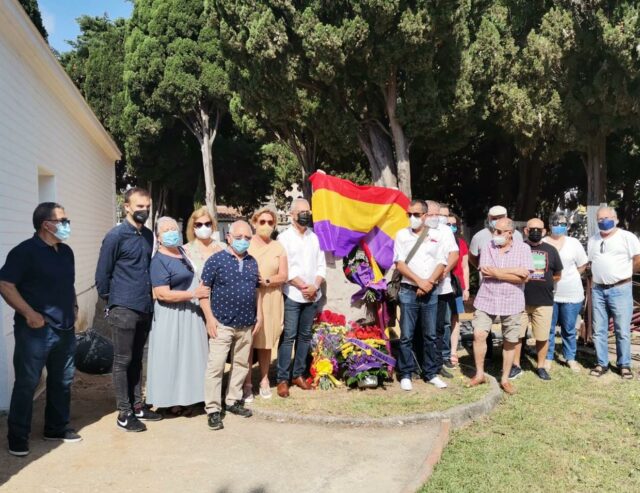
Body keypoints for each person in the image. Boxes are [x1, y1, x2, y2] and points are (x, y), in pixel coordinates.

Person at [0, 203, 81, 456]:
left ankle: (56, 428)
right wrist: (29, 314)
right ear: (47, 224)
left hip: (65, 329)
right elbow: (5, 284)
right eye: (63, 220)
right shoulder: (25, 252)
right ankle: (17, 436)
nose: (67, 224)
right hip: (36, 332)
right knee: (27, 382)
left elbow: (68, 284)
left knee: (62, 380)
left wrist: (75, 307)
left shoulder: (66, 251)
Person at [95, 187, 162, 432]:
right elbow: (102, 275)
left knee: (137, 360)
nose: (143, 210)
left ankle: (137, 406)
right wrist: (111, 302)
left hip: (144, 306)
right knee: (122, 361)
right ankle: (124, 413)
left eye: (147, 206)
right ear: (127, 207)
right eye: (139, 206)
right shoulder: (115, 236)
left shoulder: (147, 236)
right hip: (123, 307)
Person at [201, 221, 263, 430]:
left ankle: (233, 400)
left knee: (241, 365)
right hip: (222, 324)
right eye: (239, 237)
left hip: (246, 323)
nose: (243, 241)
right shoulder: (216, 261)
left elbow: (257, 291)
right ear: (229, 237)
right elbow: (203, 292)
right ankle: (213, 409)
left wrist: (259, 315)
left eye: (247, 238)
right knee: (216, 367)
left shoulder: (253, 262)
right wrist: (210, 319)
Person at [146, 217, 210, 416]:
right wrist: (193, 295)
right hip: (171, 316)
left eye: (174, 228)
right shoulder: (158, 261)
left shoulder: (184, 252)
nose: (172, 232)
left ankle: (192, 397)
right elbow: (162, 293)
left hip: (191, 313)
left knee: (190, 357)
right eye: (166, 230)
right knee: (171, 357)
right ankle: (170, 400)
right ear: (158, 236)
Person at [468, 217, 532, 395]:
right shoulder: (488, 246)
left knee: (510, 340)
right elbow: (486, 272)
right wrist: (513, 271)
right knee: (479, 334)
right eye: (493, 230)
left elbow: (525, 276)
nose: (494, 234)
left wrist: (498, 272)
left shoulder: (523, 248)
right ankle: (479, 373)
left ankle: (505, 379)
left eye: (498, 231)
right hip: (486, 298)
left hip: (512, 300)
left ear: (510, 233)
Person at [394, 199, 449, 391]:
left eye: (416, 215)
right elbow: (400, 264)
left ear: (425, 216)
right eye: (409, 214)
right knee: (407, 335)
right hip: (409, 290)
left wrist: (429, 283)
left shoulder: (437, 235)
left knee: (430, 335)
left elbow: (442, 262)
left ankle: (431, 373)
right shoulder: (401, 235)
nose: (412, 218)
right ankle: (406, 373)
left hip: (430, 290)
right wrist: (420, 282)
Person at [276, 198, 326, 398]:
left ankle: (298, 374)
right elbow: (285, 269)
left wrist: (314, 286)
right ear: (292, 214)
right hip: (293, 295)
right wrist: (303, 286)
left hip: (312, 295)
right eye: (302, 211)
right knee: (288, 337)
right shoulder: (284, 238)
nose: (306, 214)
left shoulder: (315, 237)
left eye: (308, 211)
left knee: (305, 336)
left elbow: (321, 265)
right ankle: (282, 378)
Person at [587, 206, 640, 379]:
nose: (604, 221)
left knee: (622, 330)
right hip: (598, 289)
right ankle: (601, 363)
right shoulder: (593, 240)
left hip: (620, 289)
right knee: (599, 329)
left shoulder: (627, 237)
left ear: (616, 218)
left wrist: (624, 274)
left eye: (607, 218)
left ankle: (624, 365)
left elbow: (637, 259)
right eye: (600, 219)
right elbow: (592, 261)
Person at [243, 207, 287, 401]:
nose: (266, 226)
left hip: (271, 296)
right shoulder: (245, 244)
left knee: (266, 341)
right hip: (248, 296)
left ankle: (264, 379)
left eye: (270, 222)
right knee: (248, 340)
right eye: (262, 222)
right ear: (254, 223)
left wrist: (268, 281)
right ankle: (246, 383)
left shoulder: (279, 247)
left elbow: (284, 275)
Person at [511, 218, 563, 381]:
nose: (535, 232)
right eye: (531, 229)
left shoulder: (551, 250)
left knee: (542, 336)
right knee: (517, 335)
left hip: (544, 301)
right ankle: (515, 365)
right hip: (520, 299)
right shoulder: (518, 248)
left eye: (538, 229)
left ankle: (540, 367)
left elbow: (557, 274)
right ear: (525, 231)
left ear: (544, 231)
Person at [543, 212, 588, 372]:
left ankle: (570, 357)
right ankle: (547, 357)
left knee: (569, 328)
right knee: (547, 327)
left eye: (562, 223)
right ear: (549, 224)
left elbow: (582, 264)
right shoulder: (542, 243)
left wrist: (569, 275)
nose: (559, 225)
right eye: (555, 222)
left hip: (571, 292)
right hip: (549, 293)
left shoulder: (574, 243)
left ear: (567, 225)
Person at [434, 204, 460, 375]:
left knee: (443, 323)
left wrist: (442, 272)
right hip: (423, 286)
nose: (440, 218)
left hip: (443, 286)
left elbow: (455, 256)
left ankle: (443, 357)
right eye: (436, 214)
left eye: (442, 215)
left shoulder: (447, 233)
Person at [447, 212, 470, 368]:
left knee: (455, 319)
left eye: (454, 225)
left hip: (457, 286)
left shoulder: (461, 243)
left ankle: (453, 351)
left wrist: (466, 287)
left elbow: (465, 266)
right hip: (442, 285)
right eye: (448, 224)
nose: (451, 227)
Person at [182, 206, 222, 278]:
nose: (204, 227)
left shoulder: (223, 248)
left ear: (212, 225)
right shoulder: (185, 251)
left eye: (207, 224)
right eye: (199, 225)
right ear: (193, 227)